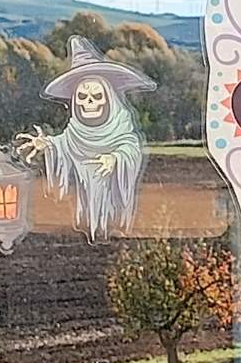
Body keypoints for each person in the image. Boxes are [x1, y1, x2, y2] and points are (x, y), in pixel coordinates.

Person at [15, 35, 153, 242]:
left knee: (112, 223)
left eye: (96, 97)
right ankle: (92, 230)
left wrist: (115, 158)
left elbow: (130, 146)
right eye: (82, 97)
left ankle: (111, 229)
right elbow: (65, 143)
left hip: (114, 198)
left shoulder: (121, 124)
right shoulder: (75, 129)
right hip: (85, 198)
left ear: (109, 99)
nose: (88, 102)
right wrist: (48, 144)